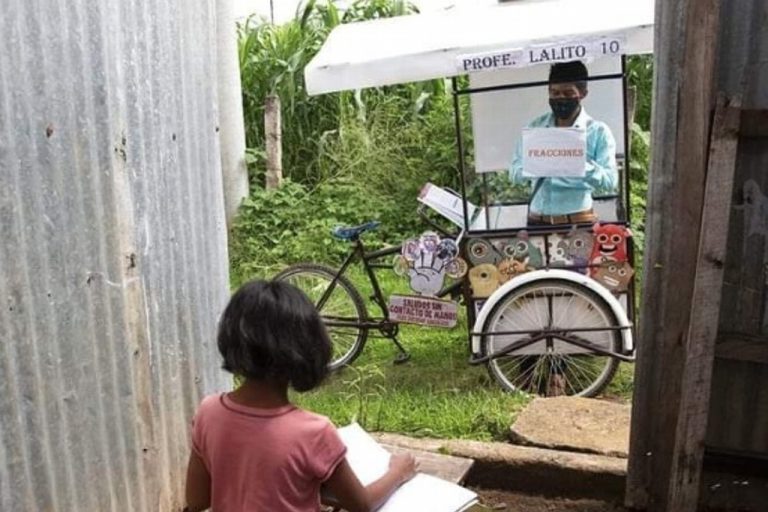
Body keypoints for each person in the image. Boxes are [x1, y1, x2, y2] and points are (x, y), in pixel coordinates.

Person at [184, 280, 417, 512]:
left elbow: (197, 500)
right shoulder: (314, 432)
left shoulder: (209, 412)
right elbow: (362, 504)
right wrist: (398, 472)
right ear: (308, 347)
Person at [509, 60, 618, 225]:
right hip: (537, 221)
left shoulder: (598, 132)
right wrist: (538, 163)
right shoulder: (536, 128)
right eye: (555, 93)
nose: (560, 98)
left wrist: (579, 163)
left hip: (578, 221)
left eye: (568, 94)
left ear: (583, 93)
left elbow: (610, 181)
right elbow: (514, 173)